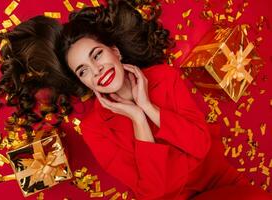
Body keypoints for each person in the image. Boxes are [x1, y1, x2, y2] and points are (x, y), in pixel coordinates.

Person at [59, 0, 272, 199]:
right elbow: (156, 191)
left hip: (223, 185)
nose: (96, 70)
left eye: (97, 55)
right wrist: (138, 118)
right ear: (83, 81)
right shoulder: (94, 128)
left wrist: (148, 108)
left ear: (115, 51)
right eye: (83, 71)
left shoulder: (163, 76)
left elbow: (200, 145)